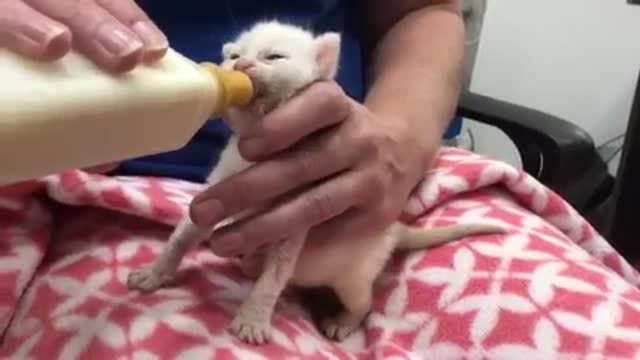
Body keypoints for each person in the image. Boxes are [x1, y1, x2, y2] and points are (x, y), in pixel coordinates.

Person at [0, 0, 464, 256]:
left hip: (358, 175)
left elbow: (422, 10)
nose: (242, 66)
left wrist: (397, 141)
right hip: (46, 183)